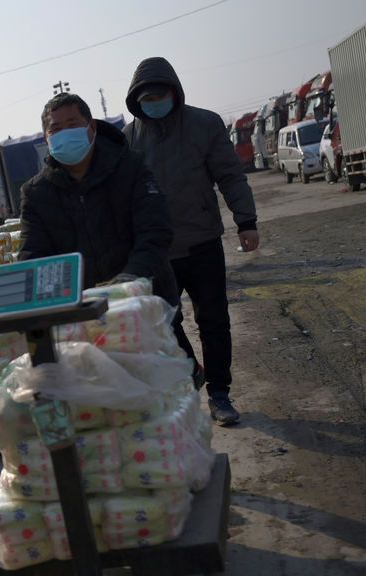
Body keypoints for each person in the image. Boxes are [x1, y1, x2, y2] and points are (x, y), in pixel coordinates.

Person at [123, 57, 259, 426]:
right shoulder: (129, 138)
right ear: (136, 100)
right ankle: (190, 370)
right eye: (146, 97)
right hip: (157, 251)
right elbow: (122, 197)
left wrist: (245, 220)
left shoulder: (204, 124)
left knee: (213, 319)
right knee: (164, 322)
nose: (153, 101)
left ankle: (219, 393)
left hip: (202, 240)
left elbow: (230, 175)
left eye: (159, 94)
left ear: (174, 92)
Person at [18, 93, 178, 306]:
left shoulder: (131, 167)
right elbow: (34, 259)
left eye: (72, 125)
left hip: (147, 301)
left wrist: (129, 281)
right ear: (47, 138)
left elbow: (155, 231)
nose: (64, 133)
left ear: (91, 126)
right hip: (82, 316)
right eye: (56, 129)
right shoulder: (36, 194)